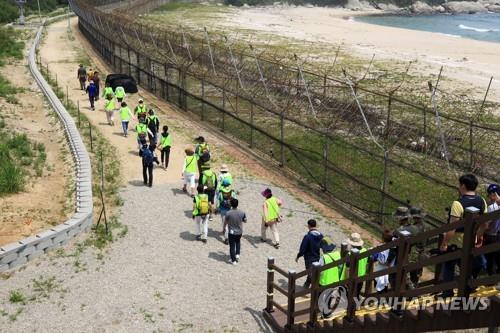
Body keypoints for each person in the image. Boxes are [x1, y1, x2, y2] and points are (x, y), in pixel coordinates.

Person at [439, 173, 488, 298]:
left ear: (463, 186)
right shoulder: (482, 201)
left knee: (449, 265)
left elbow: (452, 227)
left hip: (457, 241)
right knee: (465, 264)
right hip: (471, 239)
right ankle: (469, 286)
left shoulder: (458, 203)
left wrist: (444, 243)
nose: (459, 187)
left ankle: (447, 292)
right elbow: (484, 225)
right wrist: (478, 238)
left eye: (459, 185)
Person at [296, 219, 323, 288]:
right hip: (317, 256)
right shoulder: (321, 236)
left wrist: (298, 256)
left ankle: (313, 287)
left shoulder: (307, 237)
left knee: (310, 272)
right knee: (313, 271)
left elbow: (303, 249)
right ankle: (307, 284)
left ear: (308, 226)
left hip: (309, 258)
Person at [223, 198, 247, 265]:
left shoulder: (228, 213)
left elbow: (225, 222)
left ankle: (233, 260)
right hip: (239, 231)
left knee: (232, 246)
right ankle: (237, 254)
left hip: (231, 232)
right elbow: (245, 220)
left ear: (231, 204)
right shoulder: (242, 212)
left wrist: (224, 228)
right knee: (238, 242)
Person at [371, 229, 396, 294]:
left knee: (379, 287)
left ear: (383, 239)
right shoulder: (394, 248)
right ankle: (383, 300)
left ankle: (380, 301)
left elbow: (374, 258)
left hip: (380, 268)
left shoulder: (381, 247)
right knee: (385, 285)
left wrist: (373, 251)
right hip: (388, 270)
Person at [485, 184, 500, 276]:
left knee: (490, 261)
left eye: (489, 194)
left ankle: (491, 281)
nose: (489, 197)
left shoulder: (491, 207)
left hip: (492, 236)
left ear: (493, 194)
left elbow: (487, 224)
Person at [217, 180, 237, 244]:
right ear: (228, 185)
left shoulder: (220, 192)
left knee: (224, 223)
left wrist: (217, 208)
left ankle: (226, 238)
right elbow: (235, 200)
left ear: (223, 184)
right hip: (230, 210)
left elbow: (218, 202)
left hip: (223, 210)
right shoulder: (232, 192)